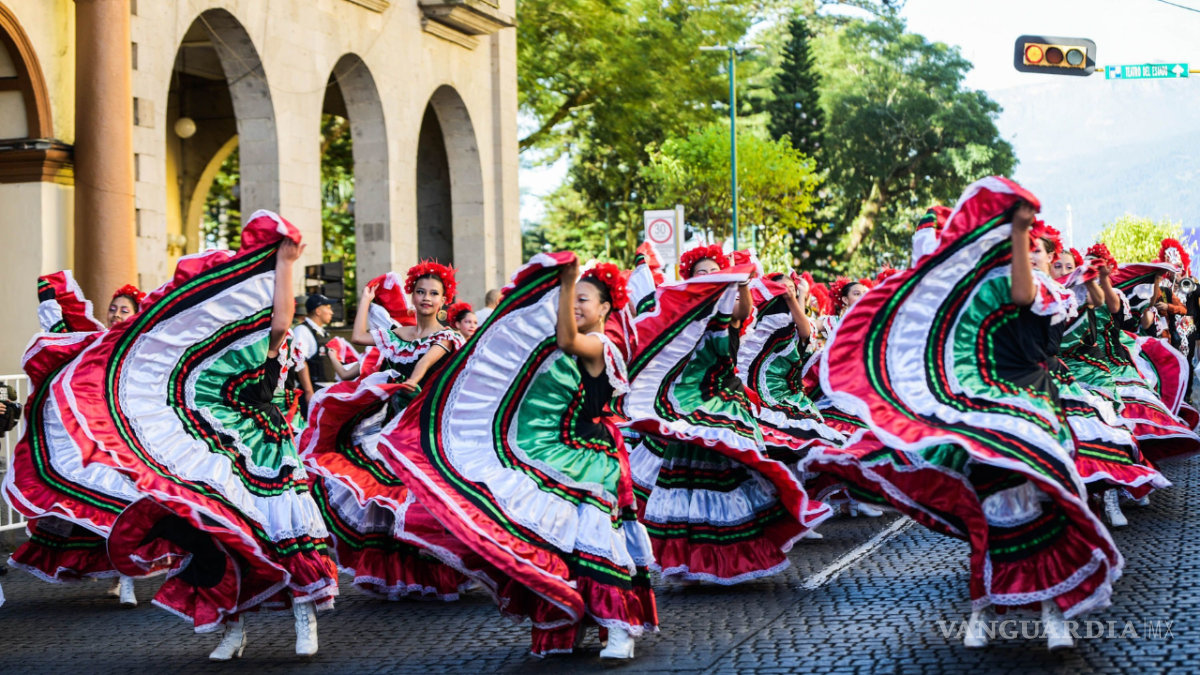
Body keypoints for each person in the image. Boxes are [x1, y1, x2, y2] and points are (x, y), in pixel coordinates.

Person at [806, 177, 1122, 651]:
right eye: (1027, 248)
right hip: (984, 410)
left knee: (1049, 507)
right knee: (991, 517)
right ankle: (983, 609)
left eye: (1038, 251)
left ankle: (1052, 611)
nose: (1033, 255)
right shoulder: (976, 292)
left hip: (1036, 408)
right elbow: (938, 278)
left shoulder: (1049, 293)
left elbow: (1025, 294)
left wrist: (1020, 229)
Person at [60, 212, 339, 660]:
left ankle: (304, 620)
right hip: (218, 442)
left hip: (268, 446)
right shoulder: (208, 351)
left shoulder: (269, 339)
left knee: (280, 531)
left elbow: (281, 320)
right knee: (221, 533)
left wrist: (285, 264)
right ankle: (233, 628)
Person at [378, 253, 657, 658]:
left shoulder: (600, 345)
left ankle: (618, 628)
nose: (576, 306)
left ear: (605, 309)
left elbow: (566, 340)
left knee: (596, 539)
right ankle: (575, 617)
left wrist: (564, 282)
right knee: (558, 544)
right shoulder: (560, 353)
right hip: (559, 455)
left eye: (584, 300)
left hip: (594, 460)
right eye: (572, 299)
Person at [621, 245, 831, 585]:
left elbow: (744, 309)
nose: (707, 277)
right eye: (700, 274)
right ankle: (689, 559)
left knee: (729, 481)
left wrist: (741, 280)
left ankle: (730, 555)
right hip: (689, 406)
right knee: (687, 485)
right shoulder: (685, 316)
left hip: (724, 404)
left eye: (712, 272)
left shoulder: (730, 307)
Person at [299, 261, 468, 602]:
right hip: (391, 429)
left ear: (444, 300)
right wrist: (365, 297)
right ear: (412, 296)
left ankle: (437, 573)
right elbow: (359, 337)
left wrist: (413, 381)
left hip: (427, 429)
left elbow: (425, 363)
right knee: (389, 498)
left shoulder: (447, 336)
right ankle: (401, 576)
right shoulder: (397, 336)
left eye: (434, 293)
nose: (426, 298)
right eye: (420, 292)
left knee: (422, 499)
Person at [292, 294, 334, 407]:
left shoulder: (323, 332)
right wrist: (309, 392)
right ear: (318, 311)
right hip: (314, 391)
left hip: (326, 390)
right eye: (328, 308)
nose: (331, 312)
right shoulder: (302, 330)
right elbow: (301, 361)